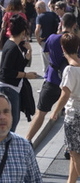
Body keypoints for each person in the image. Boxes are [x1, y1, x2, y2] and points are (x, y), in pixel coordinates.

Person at [26, 14, 78, 145]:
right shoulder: (75, 41)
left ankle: (27, 140)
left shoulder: (53, 38)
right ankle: (69, 144)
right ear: (74, 26)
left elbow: (47, 53)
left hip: (52, 80)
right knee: (70, 114)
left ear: (61, 23)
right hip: (70, 82)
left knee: (41, 113)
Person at [0, 15, 38, 133]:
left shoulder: (15, 45)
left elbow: (19, 65)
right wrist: (26, 75)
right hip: (7, 87)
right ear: (23, 31)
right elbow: (6, 71)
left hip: (11, 86)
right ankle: (6, 145)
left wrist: (29, 53)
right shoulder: (12, 47)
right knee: (11, 121)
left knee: (13, 119)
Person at [51, 33, 80, 183]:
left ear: (63, 48)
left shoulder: (69, 70)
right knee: (74, 154)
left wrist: (55, 112)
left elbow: (65, 95)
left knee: (75, 154)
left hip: (74, 115)